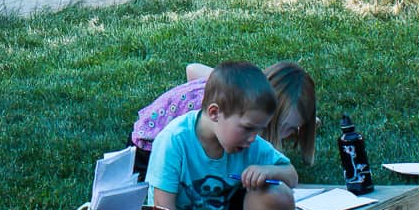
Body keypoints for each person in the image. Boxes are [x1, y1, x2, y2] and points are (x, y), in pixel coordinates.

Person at [144, 61, 319, 210]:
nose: (254, 138)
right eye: (248, 128)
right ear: (214, 113)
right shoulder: (174, 141)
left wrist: (268, 171)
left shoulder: (250, 142)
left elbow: (291, 176)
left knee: (279, 193)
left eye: (259, 129)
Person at [130, 58, 317, 178]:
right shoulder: (220, 117)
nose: (287, 134)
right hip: (147, 146)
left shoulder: (237, 92)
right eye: (285, 127)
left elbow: (193, 69)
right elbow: (192, 68)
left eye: (294, 128)